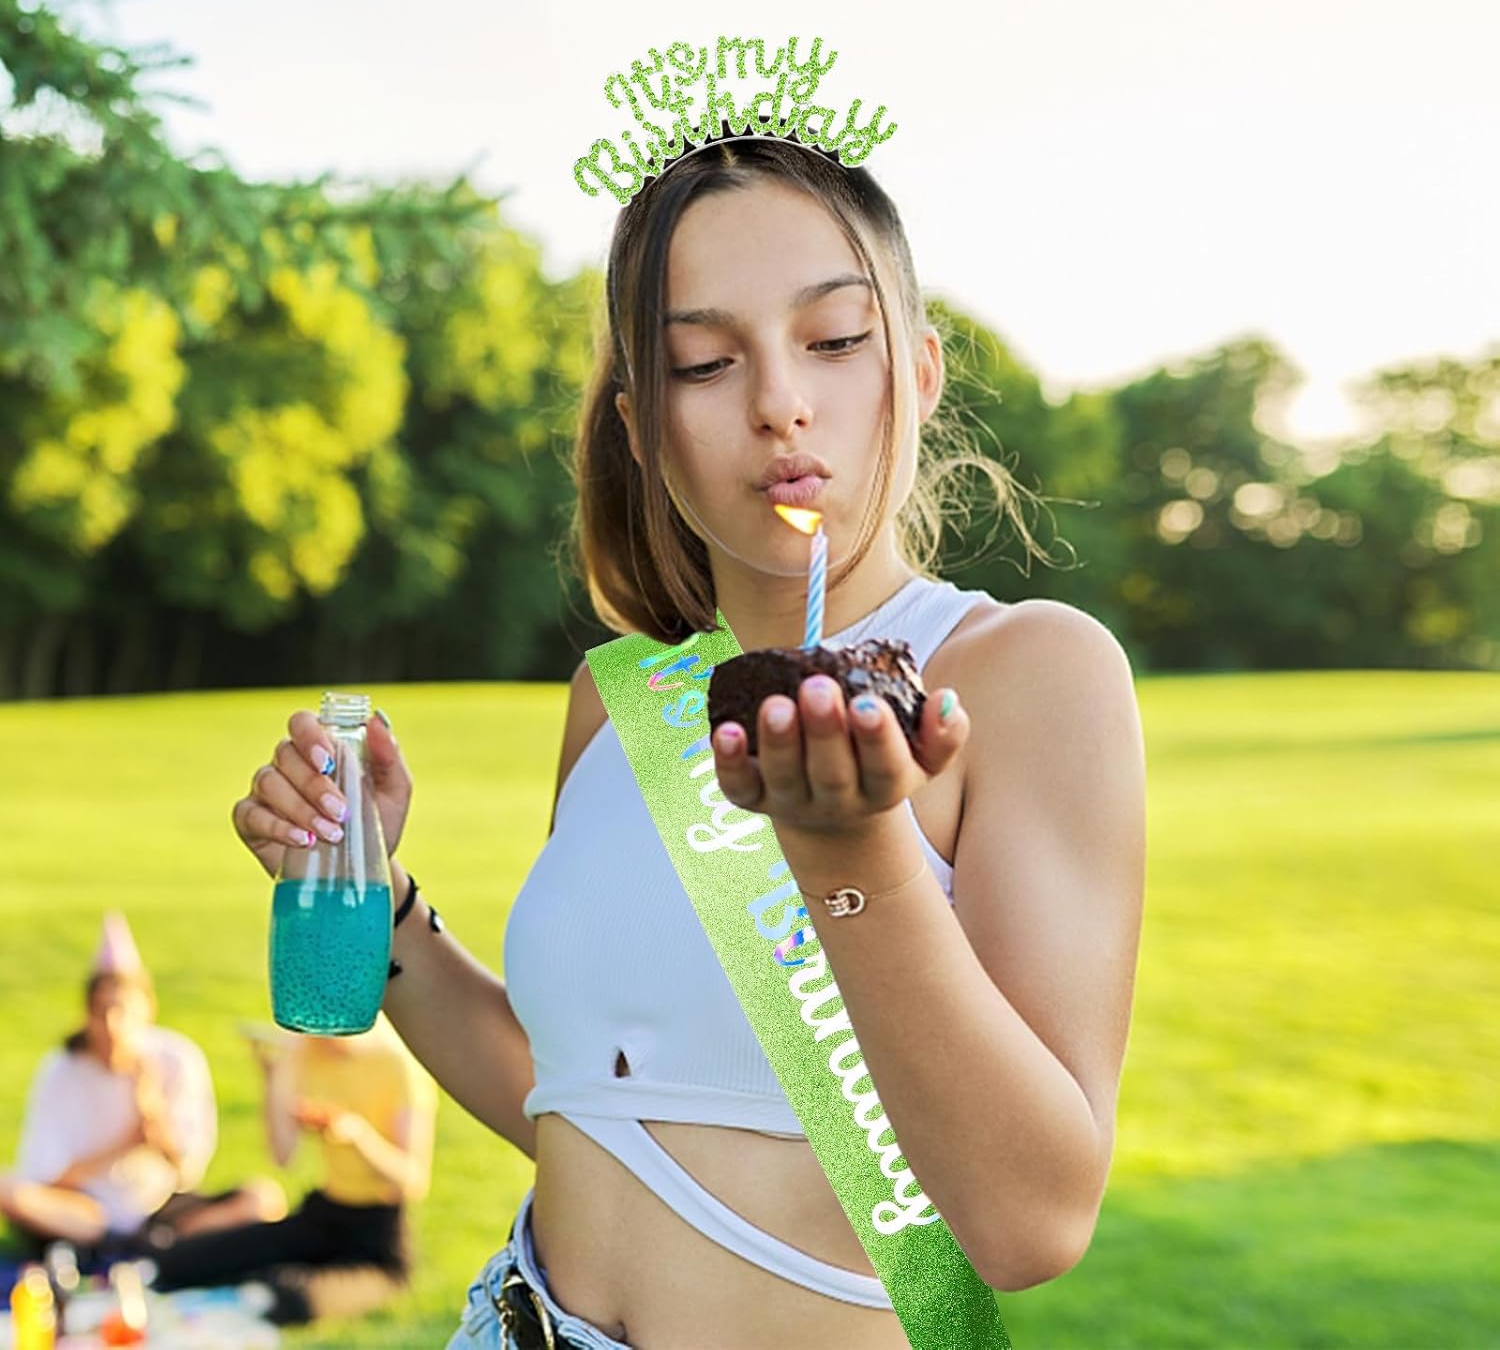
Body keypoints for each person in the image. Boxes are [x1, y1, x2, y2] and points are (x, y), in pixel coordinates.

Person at [228, 125, 1147, 1348]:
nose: (781, 403)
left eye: (832, 342)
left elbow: (1031, 1224)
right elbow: (574, 1099)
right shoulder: (619, 701)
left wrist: (850, 856)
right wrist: (371, 894)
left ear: (918, 373)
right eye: (705, 364)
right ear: (641, 425)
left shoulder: (1025, 672)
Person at [1, 913, 285, 1263]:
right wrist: (125, 1144)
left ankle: (157, 1244)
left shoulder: (176, 1059)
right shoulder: (62, 1069)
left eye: (121, 1010)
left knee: (263, 1200)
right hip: (86, 1210)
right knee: (8, 1190)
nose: (111, 1026)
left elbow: (187, 1170)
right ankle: (146, 1250)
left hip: (160, 1207)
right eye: (101, 1012)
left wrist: (152, 1112)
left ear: (147, 1010)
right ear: (86, 1015)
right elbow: (46, 1177)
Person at [146, 1014, 436, 1326]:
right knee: (179, 1263)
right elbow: (283, 1155)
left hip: (376, 1239)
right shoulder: (307, 1052)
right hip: (323, 1214)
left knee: (289, 1298)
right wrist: (275, 1080)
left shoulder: (397, 1067)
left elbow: (413, 1181)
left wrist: (358, 1138)